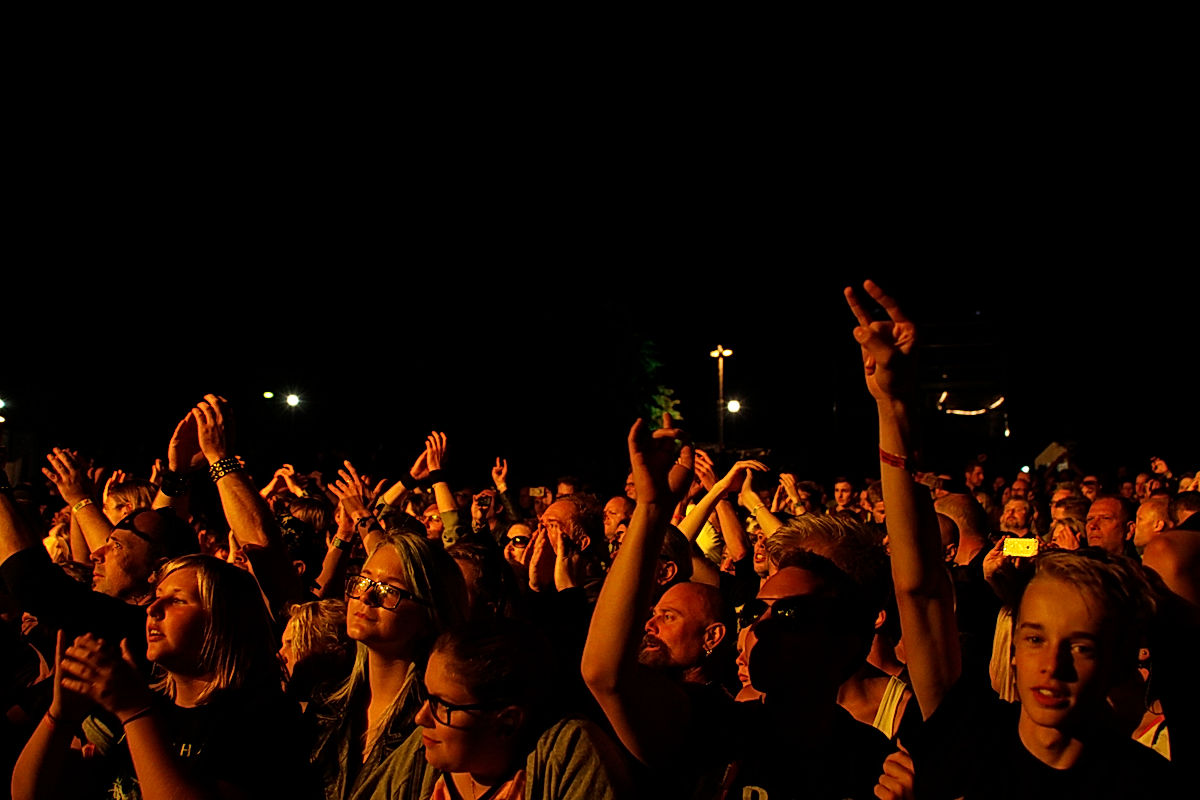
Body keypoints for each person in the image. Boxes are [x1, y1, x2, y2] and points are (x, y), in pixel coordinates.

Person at [844, 279, 1177, 797]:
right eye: (1035, 637)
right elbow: (923, 589)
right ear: (1014, 646)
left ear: (1119, 658)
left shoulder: (1147, 784)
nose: (1052, 665)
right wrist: (894, 409)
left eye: (1082, 646)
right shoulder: (967, 735)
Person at [12, 554, 314, 799]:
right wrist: (61, 715)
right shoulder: (143, 699)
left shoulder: (262, 716)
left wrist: (134, 713)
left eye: (178, 600)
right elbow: (28, 793)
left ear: (222, 622)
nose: (152, 609)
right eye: (156, 597)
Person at [368, 619, 630, 799]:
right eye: (427, 697)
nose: (421, 717)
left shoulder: (568, 753)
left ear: (507, 722)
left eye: (442, 704)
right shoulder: (422, 752)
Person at [307, 531, 468, 800]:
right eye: (363, 580)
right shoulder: (326, 703)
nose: (366, 596)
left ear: (429, 614)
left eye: (387, 589)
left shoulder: (436, 722)